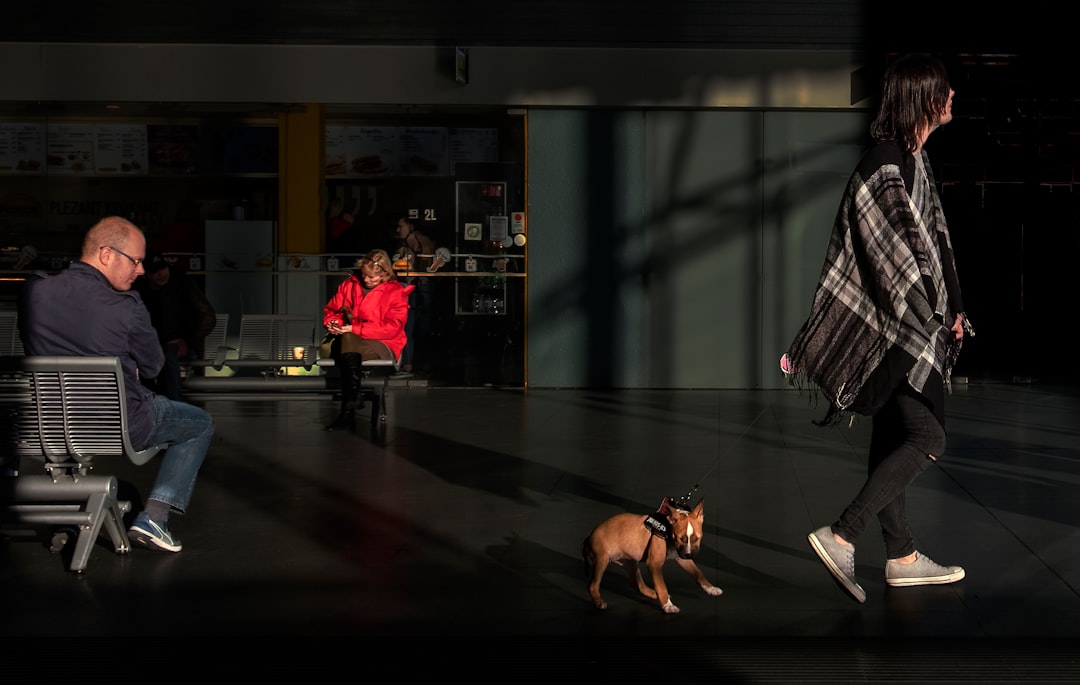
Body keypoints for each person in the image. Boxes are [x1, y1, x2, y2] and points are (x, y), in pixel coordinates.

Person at [781, 53, 974, 604]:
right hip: (891, 334)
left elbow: (935, 242)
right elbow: (896, 262)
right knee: (928, 436)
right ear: (924, 99)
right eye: (944, 89)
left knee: (893, 434)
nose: (953, 95)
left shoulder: (916, 164)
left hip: (910, 329)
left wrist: (953, 307)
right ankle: (842, 534)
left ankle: (902, 555)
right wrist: (931, 316)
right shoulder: (882, 165)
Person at [17, 215, 214, 553]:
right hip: (119, 423)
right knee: (199, 424)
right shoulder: (127, 306)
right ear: (106, 254)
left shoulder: (34, 291)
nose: (140, 270)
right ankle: (155, 518)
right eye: (135, 260)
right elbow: (154, 364)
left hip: (49, 424)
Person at [321, 249, 412, 431]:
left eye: (372, 277)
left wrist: (354, 328)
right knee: (347, 338)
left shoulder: (394, 292)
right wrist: (333, 323)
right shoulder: (349, 285)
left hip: (382, 343)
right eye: (364, 275)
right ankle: (353, 400)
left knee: (348, 337)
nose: (366, 280)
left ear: (384, 274)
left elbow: (392, 328)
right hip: (350, 340)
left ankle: (349, 408)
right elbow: (333, 311)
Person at [133, 250, 217, 402]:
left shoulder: (182, 283)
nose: (162, 274)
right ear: (145, 275)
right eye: (155, 271)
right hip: (151, 345)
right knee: (141, 357)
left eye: (163, 268)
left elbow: (207, 317)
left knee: (167, 354)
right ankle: (149, 404)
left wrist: (186, 340)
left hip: (182, 345)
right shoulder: (139, 290)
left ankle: (173, 405)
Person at [392, 215, 439, 377]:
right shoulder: (407, 243)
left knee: (411, 327)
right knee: (413, 327)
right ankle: (410, 362)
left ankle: (409, 363)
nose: (398, 230)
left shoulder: (416, 241)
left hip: (415, 289)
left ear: (410, 226)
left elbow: (425, 263)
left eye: (401, 226)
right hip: (412, 289)